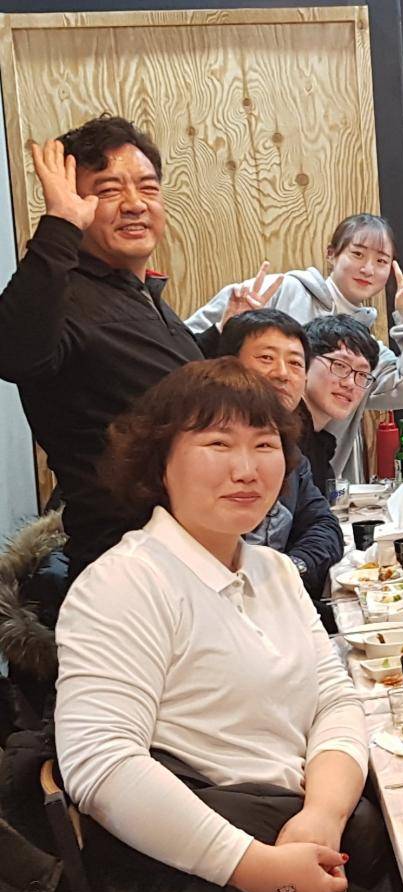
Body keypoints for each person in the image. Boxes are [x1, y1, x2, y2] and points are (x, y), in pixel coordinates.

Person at [54, 358, 402, 892]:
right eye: (218, 444)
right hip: (188, 874)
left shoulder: (273, 570)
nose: (246, 469)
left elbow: (335, 701)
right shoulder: (125, 582)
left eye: (265, 445)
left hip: (298, 833)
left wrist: (321, 815)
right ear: (159, 462)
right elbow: (101, 764)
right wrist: (254, 868)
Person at [0, 118, 273, 583]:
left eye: (148, 187)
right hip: (130, 571)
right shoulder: (64, 295)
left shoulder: (138, 295)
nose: (134, 204)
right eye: (107, 190)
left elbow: (158, 389)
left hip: (194, 560)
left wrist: (218, 339)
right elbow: (15, 353)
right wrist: (59, 225)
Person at [189, 213, 403, 479]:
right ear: (331, 254)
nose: (368, 269)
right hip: (243, 465)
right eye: (357, 254)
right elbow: (183, 349)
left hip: (313, 478)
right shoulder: (282, 290)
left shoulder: (363, 349)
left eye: (381, 261)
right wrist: (228, 327)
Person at [216, 310, 344, 610]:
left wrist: (291, 570)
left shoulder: (290, 454)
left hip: (278, 607)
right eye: (266, 358)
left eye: (295, 363)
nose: (282, 373)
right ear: (227, 365)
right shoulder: (204, 454)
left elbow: (324, 525)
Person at [300, 315, 381, 493]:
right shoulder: (281, 437)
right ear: (303, 363)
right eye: (340, 365)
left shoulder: (318, 443)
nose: (350, 383)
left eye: (362, 374)